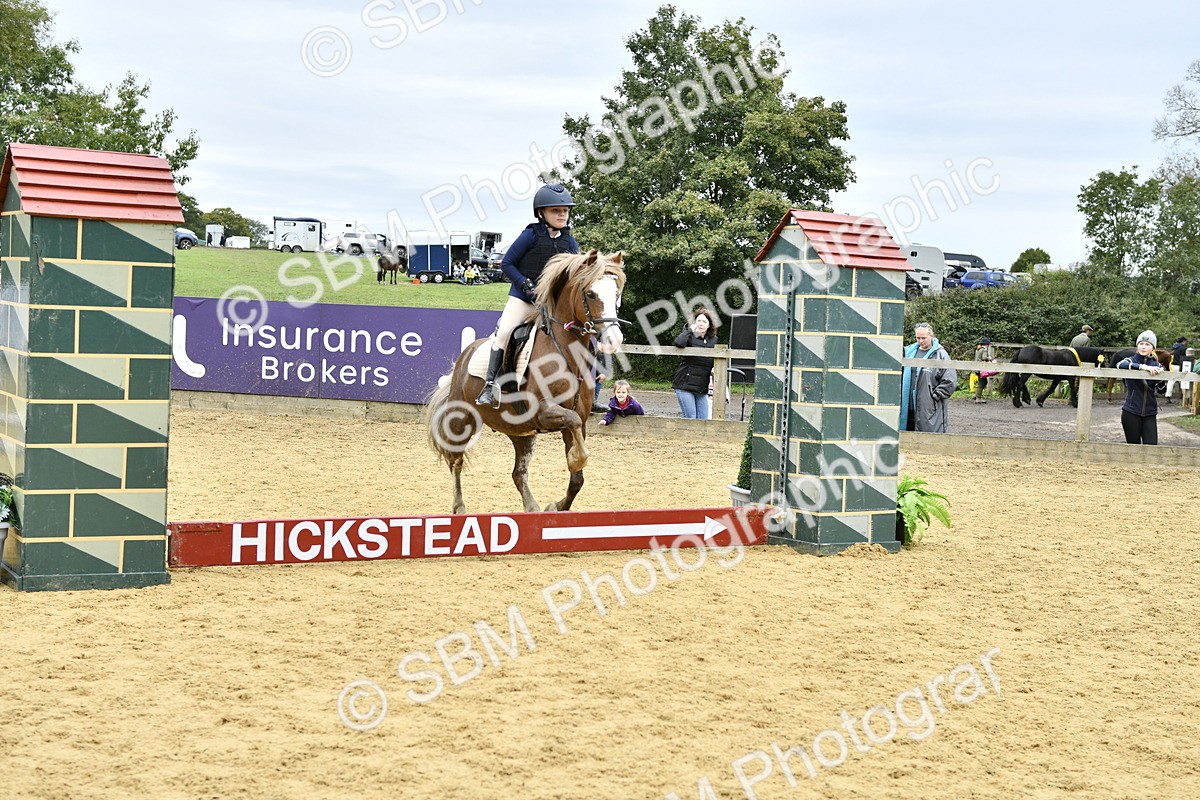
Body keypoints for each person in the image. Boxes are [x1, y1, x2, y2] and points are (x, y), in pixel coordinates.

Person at [476, 184, 580, 407]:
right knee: (504, 331)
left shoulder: (569, 242)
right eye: (555, 210)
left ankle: (587, 389)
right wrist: (525, 284)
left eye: (565, 210)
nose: (562, 214)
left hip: (550, 305)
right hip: (523, 299)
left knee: (584, 334)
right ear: (541, 213)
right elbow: (507, 263)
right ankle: (489, 385)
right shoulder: (530, 235)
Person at [900, 322, 957, 433]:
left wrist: (934, 396)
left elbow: (950, 380)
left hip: (928, 406)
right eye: (918, 338)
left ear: (931, 336)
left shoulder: (941, 354)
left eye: (924, 338)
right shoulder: (908, 352)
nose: (921, 341)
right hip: (908, 406)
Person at [1116, 330, 1164, 445]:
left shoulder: (1157, 365)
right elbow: (1119, 365)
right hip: (1131, 411)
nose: (1143, 347)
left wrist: (1162, 379)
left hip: (1150, 412)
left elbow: (1162, 391)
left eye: (1147, 344)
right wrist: (1143, 367)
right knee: (1133, 448)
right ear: (1137, 345)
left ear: (1152, 347)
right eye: (1141, 344)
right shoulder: (1130, 360)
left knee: (1152, 446)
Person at [672, 309, 718, 419]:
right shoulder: (689, 336)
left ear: (709, 324)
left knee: (703, 419)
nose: (701, 324)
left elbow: (715, 361)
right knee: (691, 418)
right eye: (698, 320)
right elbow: (678, 343)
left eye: (704, 321)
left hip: (701, 387)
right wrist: (689, 330)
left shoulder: (714, 340)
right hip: (684, 384)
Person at [1165, 336, 1189, 403]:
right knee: (1183, 381)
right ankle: (1185, 398)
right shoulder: (1183, 348)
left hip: (1172, 365)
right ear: (1183, 341)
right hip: (1179, 365)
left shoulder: (1174, 347)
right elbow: (1185, 358)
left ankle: (1168, 397)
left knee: (1171, 381)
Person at [973, 336, 996, 403]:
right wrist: (989, 358)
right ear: (986, 344)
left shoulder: (978, 349)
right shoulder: (984, 349)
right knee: (983, 382)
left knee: (981, 382)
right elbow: (984, 357)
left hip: (976, 368)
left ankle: (977, 395)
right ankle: (978, 398)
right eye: (988, 344)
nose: (988, 346)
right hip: (981, 369)